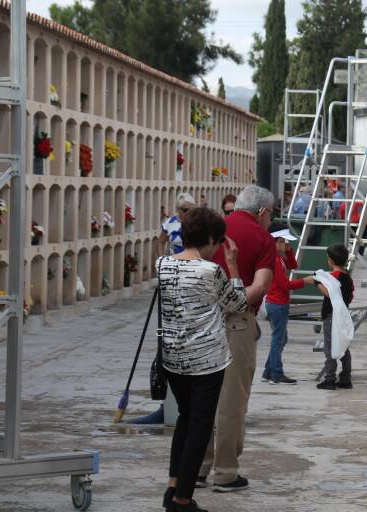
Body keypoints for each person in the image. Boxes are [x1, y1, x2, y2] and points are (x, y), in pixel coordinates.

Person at [157, 207, 248, 512]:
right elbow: (237, 303)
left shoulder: (163, 265)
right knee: (200, 426)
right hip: (207, 361)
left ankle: (173, 488)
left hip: (173, 358)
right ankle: (182, 499)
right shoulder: (211, 271)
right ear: (210, 237)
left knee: (185, 420)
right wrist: (233, 265)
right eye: (218, 239)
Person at [198, 185, 276, 492]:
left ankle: (198, 467)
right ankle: (226, 471)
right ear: (263, 212)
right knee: (231, 398)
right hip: (236, 323)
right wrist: (235, 303)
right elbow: (261, 286)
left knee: (202, 394)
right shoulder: (262, 238)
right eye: (271, 215)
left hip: (201, 317)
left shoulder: (214, 229)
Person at [304, 244, 354, 390]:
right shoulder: (347, 278)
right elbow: (349, 296)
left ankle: (330, 379)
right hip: (342, 315)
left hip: (331, 316)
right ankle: (345, 378)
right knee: (343, 347)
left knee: (330, 347)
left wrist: (316, 282)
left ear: (331, 261)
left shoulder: (335, 278)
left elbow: (329, 293)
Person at [261, 225, 307, 385]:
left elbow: (293, 265)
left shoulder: (279, 257)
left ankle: (268, 370)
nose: (285, 244)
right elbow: (285, 285)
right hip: (277, 303)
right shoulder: (274, 260)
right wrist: (304, 281)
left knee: (280, 338)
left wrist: (288, 250)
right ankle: (276, 373)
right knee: (278, 339)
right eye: (282, 241)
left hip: (278, 303)